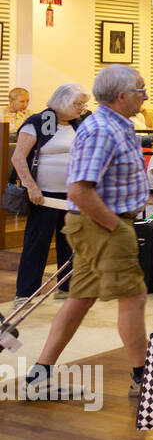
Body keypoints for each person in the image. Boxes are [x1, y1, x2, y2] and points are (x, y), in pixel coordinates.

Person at [24, 66, 149, 400]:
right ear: (122, 96)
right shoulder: (101, 130)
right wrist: (113, 226)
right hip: (104, 225)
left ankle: (41, 373)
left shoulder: (114, 125)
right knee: (134, 298)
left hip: (102, 223)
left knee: (79, 299)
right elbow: (80, 191)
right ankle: (143, 378)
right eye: (140, 89)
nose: (145, 95)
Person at [11, 83, 90, 305]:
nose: (81, 108)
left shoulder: (78, 123)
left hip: (72, 194)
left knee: (69, 241)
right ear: (62, 102)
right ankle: (25, 293)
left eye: (83, 104)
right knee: (37, 242)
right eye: (77, 104)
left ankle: (66, 287)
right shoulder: (39, 122)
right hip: (43, 195)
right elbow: (18, 158)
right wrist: (31, 187)